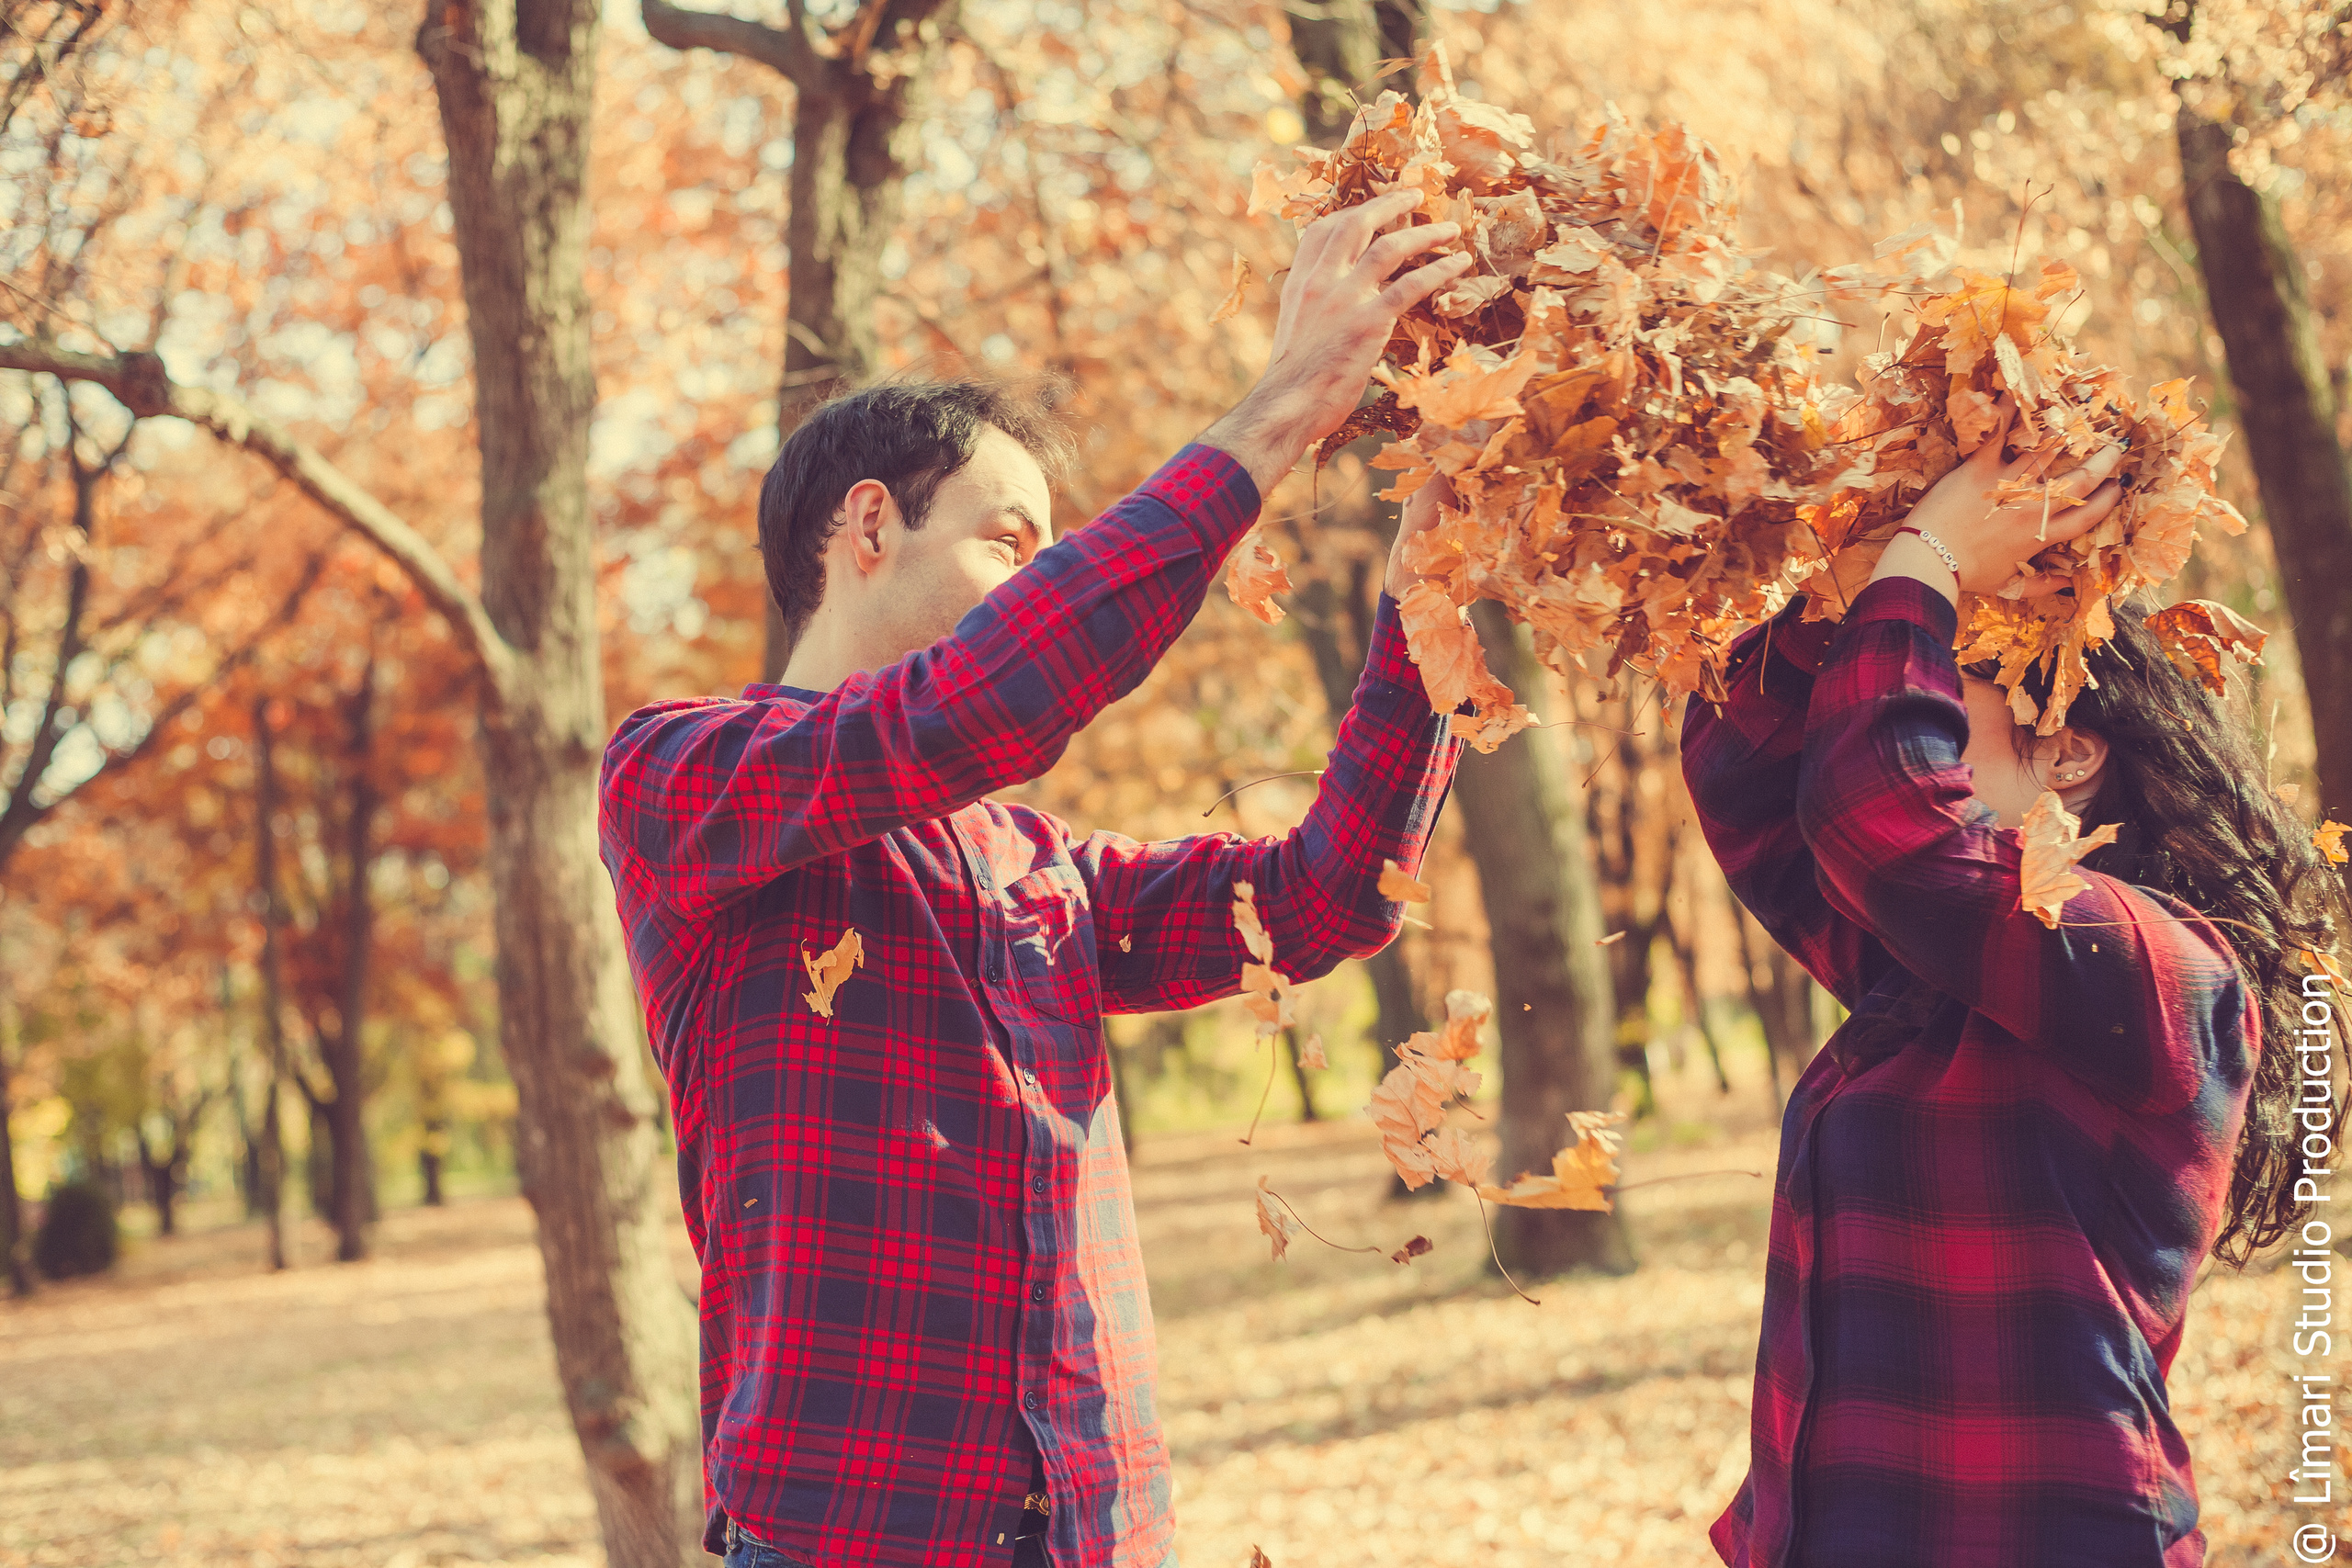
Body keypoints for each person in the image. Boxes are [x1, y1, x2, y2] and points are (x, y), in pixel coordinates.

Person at [597, 190, 1475, 1568]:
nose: (1041, 578)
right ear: (868, 526)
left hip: (1099, 1529)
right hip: (854, 1539)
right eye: (1012, 540)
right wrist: (1286, 404)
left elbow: (1324, 900)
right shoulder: (678, 778)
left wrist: (1436, 590)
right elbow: (980, 705)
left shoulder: (1038, 867)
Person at [1683, 411, 2347, 1566]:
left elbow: (1877, 813)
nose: (1905, 716)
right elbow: (1748, 777)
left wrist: (1928, 562)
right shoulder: (1929, 978)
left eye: (1944, 700)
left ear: (2069, 748)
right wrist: (1855, 588)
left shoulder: (2159, 969)